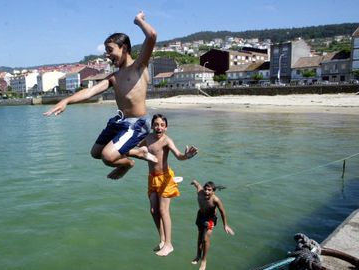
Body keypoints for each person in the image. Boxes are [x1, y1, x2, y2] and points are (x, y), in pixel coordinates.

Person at [43, 11, 157, 180]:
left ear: (124, 48)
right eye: (106, 51)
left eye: (110, 50)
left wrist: (139, 21)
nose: (107, 55)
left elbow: (152, 35)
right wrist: (66, 100)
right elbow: (90, 92)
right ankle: (137, 152)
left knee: (108, 156)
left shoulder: (139, 67)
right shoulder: (114, 77)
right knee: (96, 153)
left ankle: (128, 163)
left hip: (137, 124)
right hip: (121, 121)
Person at [139, 114, 198, 256]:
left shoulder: (166, 140)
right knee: (154, 211)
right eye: (156, 124)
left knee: (163, 210)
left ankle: (169, 244)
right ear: (152, 126)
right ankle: (162, 239)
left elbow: (178, 155)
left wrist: (187, 156)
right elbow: (136, 149)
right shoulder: (147, 139)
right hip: (152, 179)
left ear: (166, 127)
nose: (159, 127)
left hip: (165, 178)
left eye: (162, 125)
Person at [191, 180, 235, 270]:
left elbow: (222, 212)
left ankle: (204, 260)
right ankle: (198, 256)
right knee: (199, 238)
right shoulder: (200, 192)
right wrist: (194, 182)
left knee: (205, 239)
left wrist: (225, 225)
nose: (207, 191)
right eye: (205, 189)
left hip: (210, 219)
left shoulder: (216, 200)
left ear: (213, 191)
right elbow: (198, 184)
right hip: (200, 216)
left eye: (209, 190)